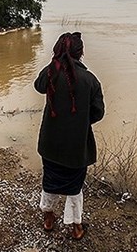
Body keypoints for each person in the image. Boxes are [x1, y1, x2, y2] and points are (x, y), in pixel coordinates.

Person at [34, 32, 105, 240]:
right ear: (81, 53)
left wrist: (53, 64)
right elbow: (98, 113)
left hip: (50, 143)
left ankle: (48, 219)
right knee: (74, 187)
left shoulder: (51, 73)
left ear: (57, 51)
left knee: (50, 180)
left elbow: (38, 86)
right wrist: (80, 122)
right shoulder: (91, 80)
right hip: (76, 146)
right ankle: (76, 228)